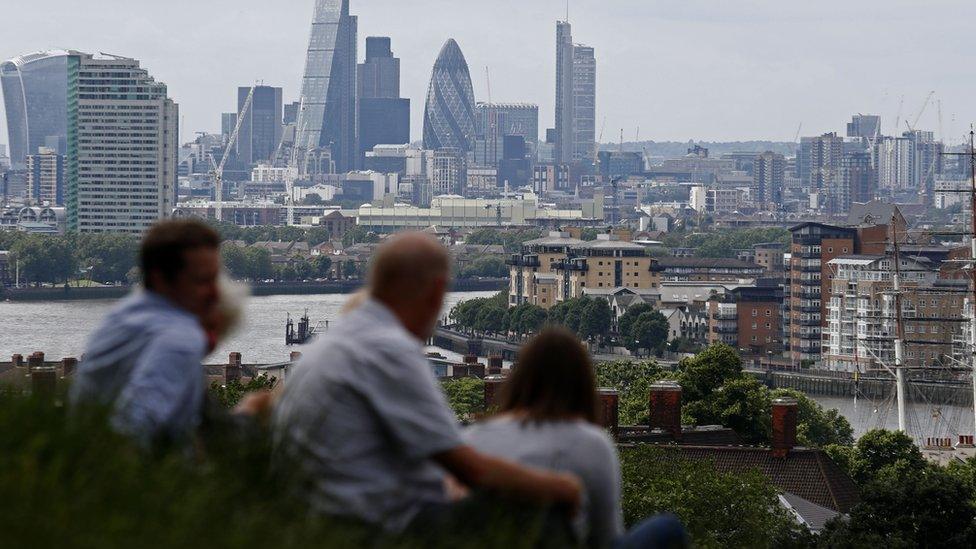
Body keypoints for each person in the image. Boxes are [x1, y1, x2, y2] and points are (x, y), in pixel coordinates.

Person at [273, 232, 581, 534]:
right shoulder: (389, 348)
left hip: (318, 523)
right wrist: (560, 486)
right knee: (545, 520)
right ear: (436, 291)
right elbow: (471, 469)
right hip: (372, 529)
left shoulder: (333, 344)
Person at [464, 328, 689, 549]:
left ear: (520, 378)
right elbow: (606, 536)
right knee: (667, 527)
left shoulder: (475, 436)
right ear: (582, 382)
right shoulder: (591, 443)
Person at [70, 219, 222, 447]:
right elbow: (131, 431)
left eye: (215, 279)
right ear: (161, 279)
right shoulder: (179, 337)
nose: (215, 293)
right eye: (202, 281)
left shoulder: (122, 316)